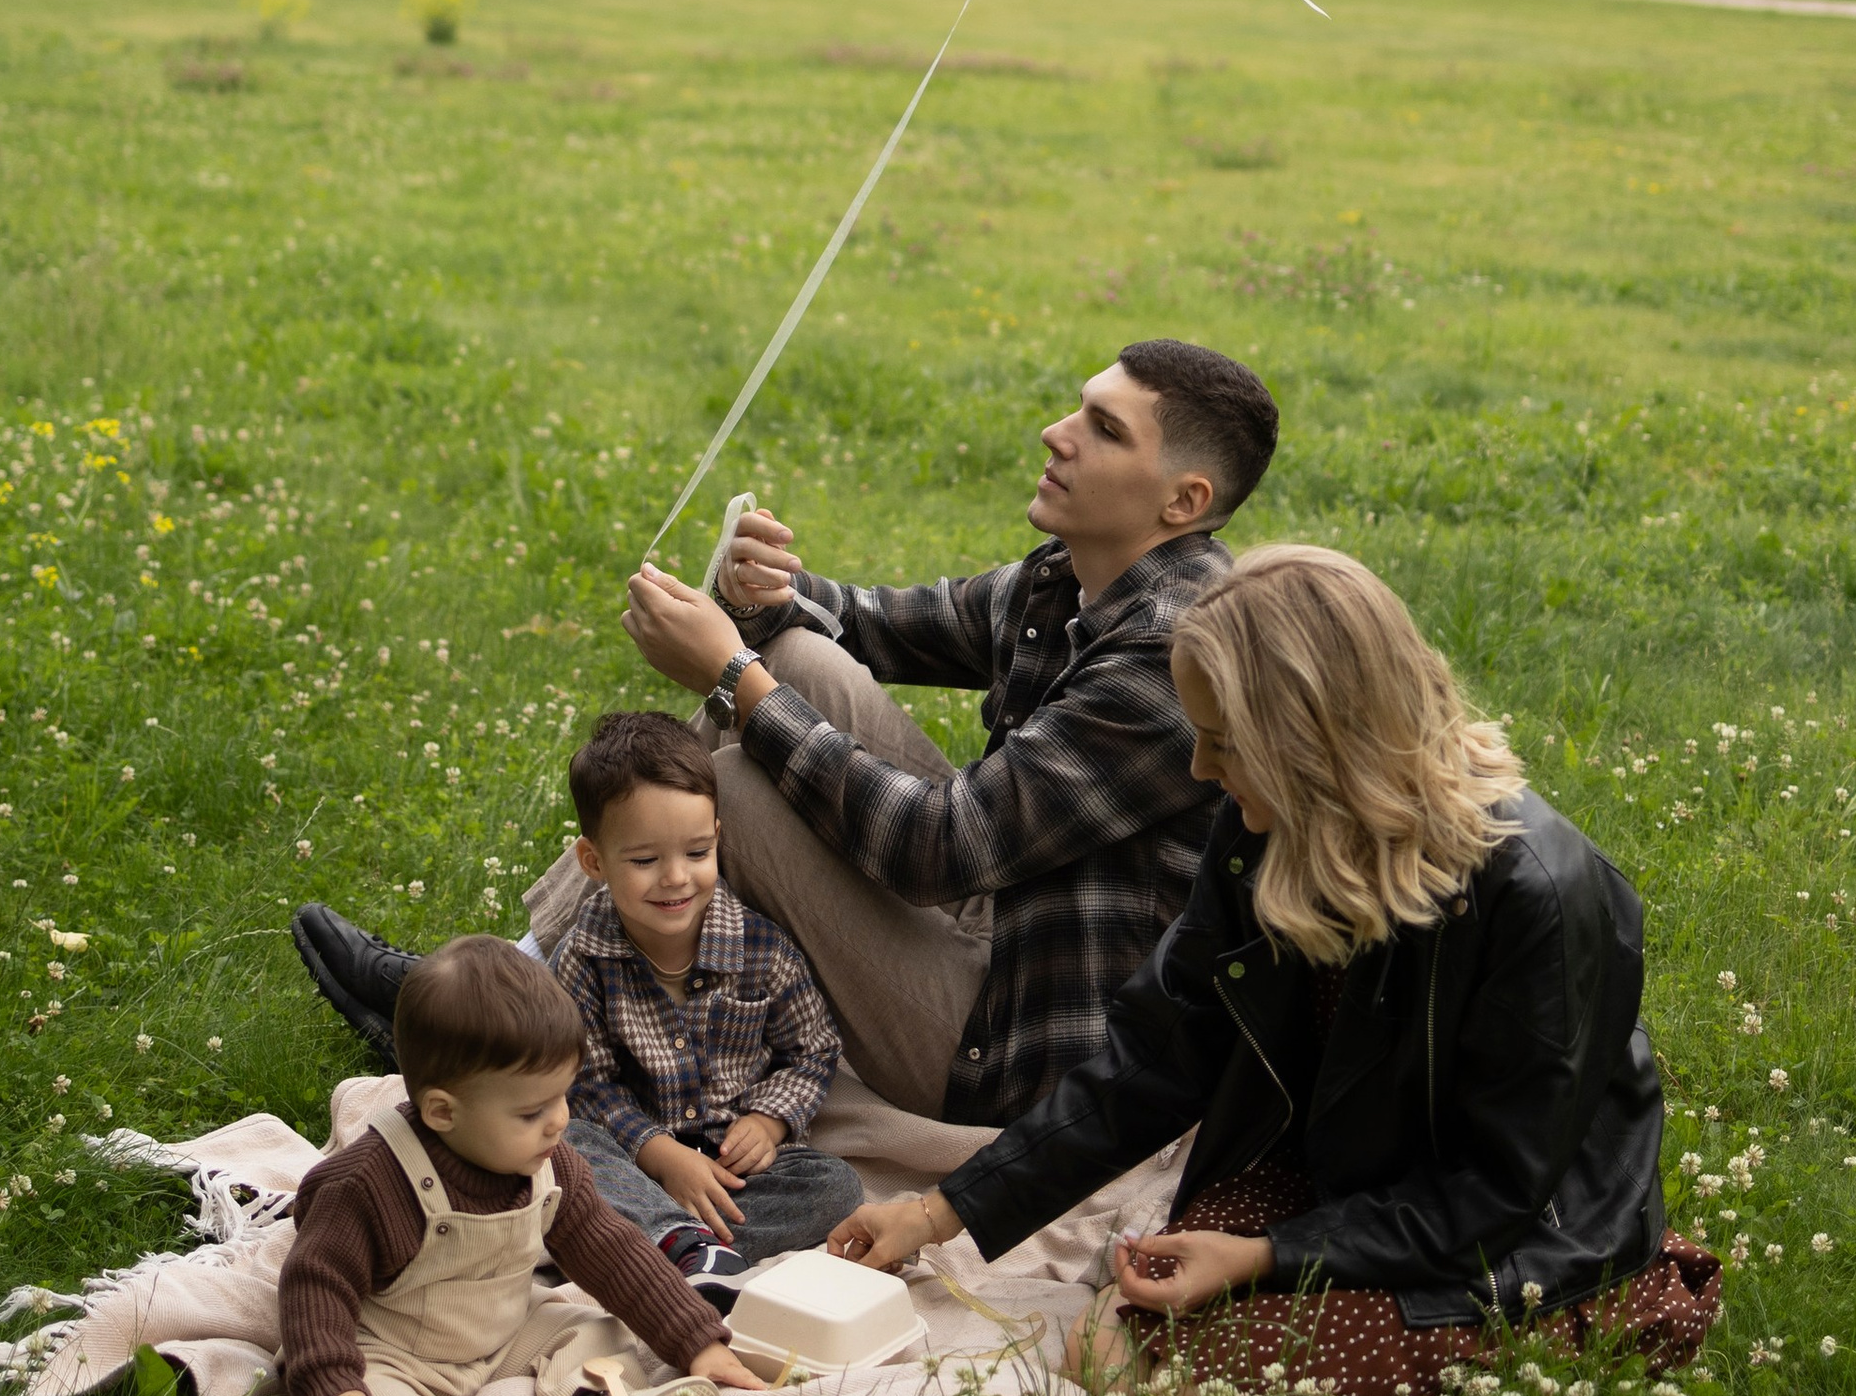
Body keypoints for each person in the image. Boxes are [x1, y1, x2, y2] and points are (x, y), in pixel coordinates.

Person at [293, 340, 1276, 1127]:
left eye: (1101, 429)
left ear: (1182, 500)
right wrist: (769, 595)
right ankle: (509, 987)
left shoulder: (1166, 655)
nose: (1055, 432)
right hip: (997, 925)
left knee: (745, 785)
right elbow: (877, 623)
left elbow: (942, 847)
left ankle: (487, 1017)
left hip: (1021, 1050)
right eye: (1077, 406)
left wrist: (730, 668)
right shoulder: (1065, 574)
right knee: (801, 667)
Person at [829, 546, 1721, 1396]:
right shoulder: (1263, 832)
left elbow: (1497, 1195)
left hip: (1507, 1242)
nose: (1200, 769)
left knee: (1168, 1372)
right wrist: (942, 1213)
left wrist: (1266, 1256)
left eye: (1225, 742)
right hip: (1337, 1180)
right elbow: (1156, 1059)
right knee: (1110, 1339)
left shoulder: (1540, 896)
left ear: (1318, 743)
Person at [277, 936, 765, 1396]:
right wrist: (333, 1382)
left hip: (507, 1336)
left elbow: (614, 1253)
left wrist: (696, 1341)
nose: (559, 1121)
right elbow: (315, 1283)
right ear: (443, 1112)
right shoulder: (370, 1183)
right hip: (396, 1355)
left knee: (600, 1333)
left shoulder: (551, 1167)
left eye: (562, 1096)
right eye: (532, 1112)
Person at [547, 711, 866, 1295]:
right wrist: (660, 1154)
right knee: (562, 1146)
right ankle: (674, 1239)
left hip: (732, 1167)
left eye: (696, 853)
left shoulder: (761, 949)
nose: (675, 878)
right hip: (636, 1153)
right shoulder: (582, 960)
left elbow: (814, 1050)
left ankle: (654, 1246)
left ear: (717, 837)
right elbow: (583, 1086)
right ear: (593, 861)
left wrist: (769, 1121)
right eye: (644, 861)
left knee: (835, 1185)